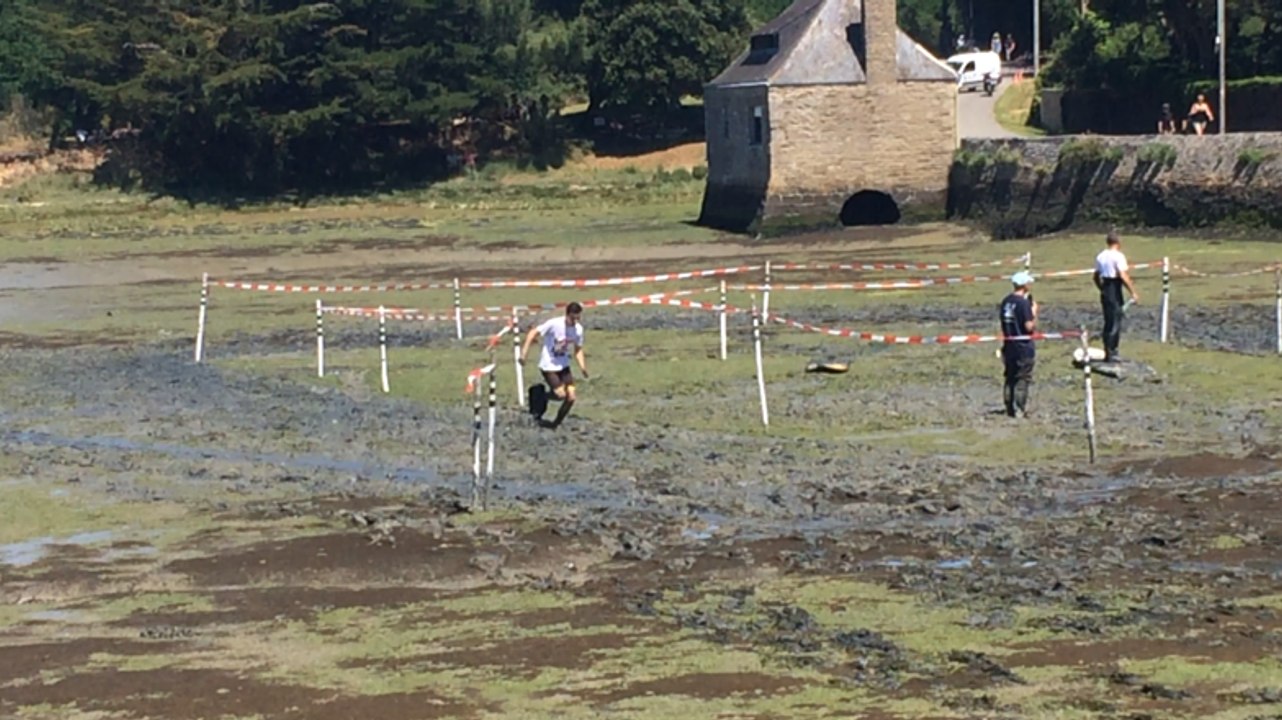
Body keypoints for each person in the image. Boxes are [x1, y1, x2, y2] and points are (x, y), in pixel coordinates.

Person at [520, 302, 589, 429]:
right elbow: (533, 333)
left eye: (578, 318)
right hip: (549, 365)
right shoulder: (554, 324)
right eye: (573, 318)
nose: (575, 321)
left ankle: (555, 424)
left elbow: (578, 349)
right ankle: (540, 396)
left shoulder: (578, 329)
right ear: (567, 315)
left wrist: (583, 367)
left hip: (564, 365)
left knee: (571, 397)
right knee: (560, 395)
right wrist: (524, 354)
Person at [1093, 231, 1140, 362]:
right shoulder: (1118, 256)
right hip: (1114, 287)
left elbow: (1095, 276)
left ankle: (1107, 350)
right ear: (1118, 243)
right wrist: (1133, 292)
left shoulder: (1100, 256)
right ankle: (1113, 351)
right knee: (1115, 320)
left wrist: (1101, 288)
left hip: (1105, 288)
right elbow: (1123, 275)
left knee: (1108, 321)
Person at [1000, 271, 1038, 418]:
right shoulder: (1023, 304)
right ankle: (1019, 408)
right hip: (1023, 345)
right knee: (1023, 377)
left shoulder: (1006, 302)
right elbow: (1029, 327)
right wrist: (1033, 313)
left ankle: (1009, 406)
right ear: (1024, 285)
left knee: (1010, 376)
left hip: (1009, 343)